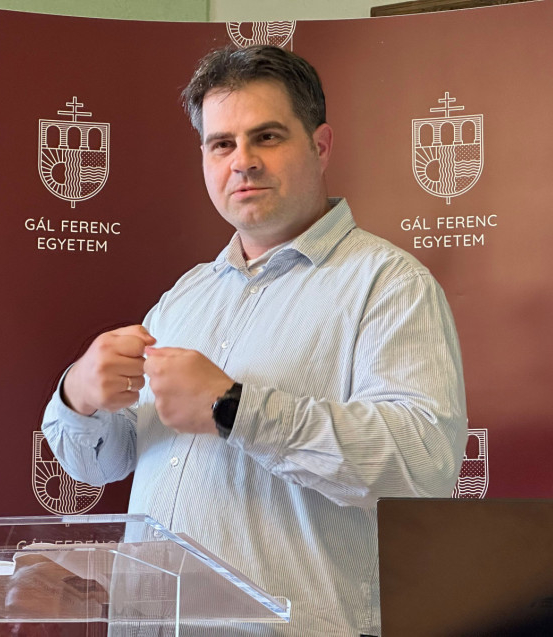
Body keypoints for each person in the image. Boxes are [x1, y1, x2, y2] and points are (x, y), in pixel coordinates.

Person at [42, 44, 467, 636]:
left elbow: (422, 468)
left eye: (266, 137)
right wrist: (79, 396)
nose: (242, 162)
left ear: (320, 146)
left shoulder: (388, 285)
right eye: (222, 144)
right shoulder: (185, 296)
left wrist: (233, 408)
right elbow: (101, 465)